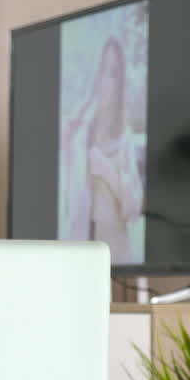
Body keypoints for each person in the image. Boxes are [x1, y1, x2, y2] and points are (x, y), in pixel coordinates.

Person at [60, 37, 145, 262]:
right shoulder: (78, 134)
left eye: (114, 73)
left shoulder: (123, 138)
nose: (106, 80)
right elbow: (67, 200)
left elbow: (134, 209)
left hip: (115, 259)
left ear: (120, 83)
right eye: (103, 70)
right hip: (78, 260)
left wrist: (107, 171)